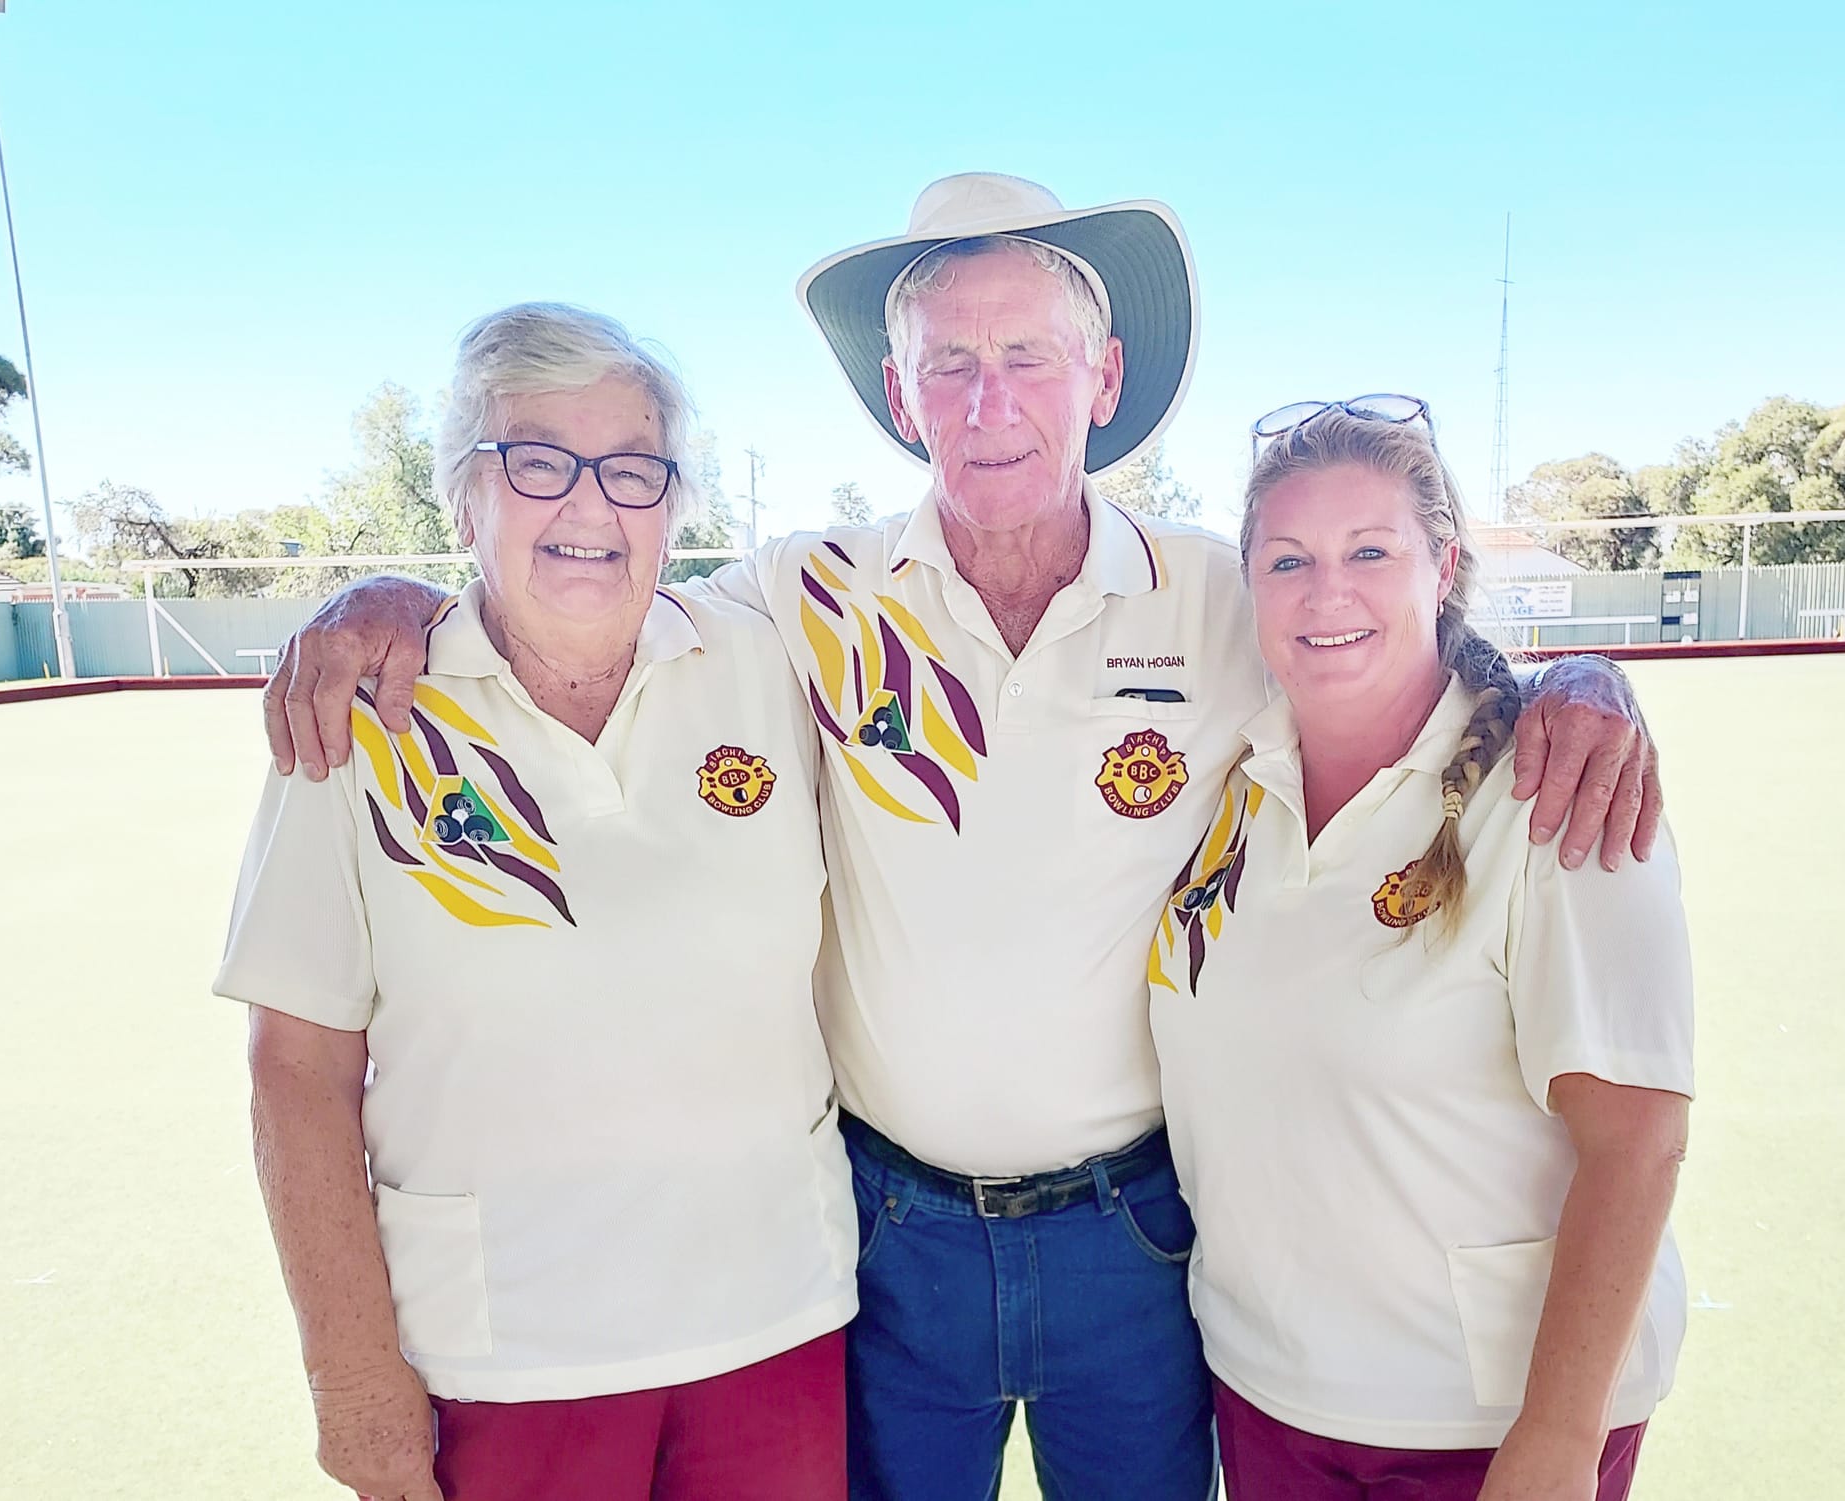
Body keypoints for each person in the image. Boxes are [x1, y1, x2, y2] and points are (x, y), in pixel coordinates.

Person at [258, 177, 1665, 1501]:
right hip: (886, 1243)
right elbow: (574, 584)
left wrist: (1573, 688)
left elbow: (1380, 629)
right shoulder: (799, 596)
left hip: (1143, 1237)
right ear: (898, 393)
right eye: (949, 365)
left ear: (1102, 382)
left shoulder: (1226, 596)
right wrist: (393, 601)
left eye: (1031, 359)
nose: (991, 404)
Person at [215, 304, 854, 1501]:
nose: (588, 505)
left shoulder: (770, 661)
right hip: (498, 1358)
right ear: (465, 499)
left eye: (631, 469)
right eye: (536, 461)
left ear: (675, 503)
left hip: (775, 1323)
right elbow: (294, 1071)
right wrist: (350, 1380)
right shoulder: (359, 715)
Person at [1149, 399, 1692, 1500]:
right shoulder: (1232, 779)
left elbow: (1634, 1145)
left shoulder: (1558, 791)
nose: (1325, 592)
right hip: (1268, 1387)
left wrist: (1554, 1440)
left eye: (1369, 551)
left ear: (1441, 566)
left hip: (1480, 1424)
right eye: (1287, 559)